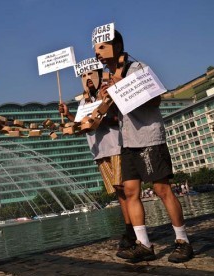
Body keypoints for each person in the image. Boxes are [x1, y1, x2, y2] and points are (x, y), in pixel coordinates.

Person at [94, 29, 193, 263]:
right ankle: (143, 244)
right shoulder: (108, 77)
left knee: (162, 189)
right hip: (127, 141)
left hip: (149, 137)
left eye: (101, 47)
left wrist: (121, 86)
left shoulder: (137, 68)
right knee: (130, 192)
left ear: (117, 46)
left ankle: (182, 240)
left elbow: (156, 99)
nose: (97, 53)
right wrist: (105, 101)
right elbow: (115, 116)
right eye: (95, 49)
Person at [59, 67, 136, 257]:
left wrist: (101, 116)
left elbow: (117, 119)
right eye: (83, 76)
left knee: (125, 188)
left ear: (99, 75)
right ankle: (129, 228)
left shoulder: (108, 94)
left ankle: (134, 230)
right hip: (99, 151)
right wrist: (68, 115)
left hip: (116, 146)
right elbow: (81, 124)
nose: (87, 79)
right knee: (118, 192)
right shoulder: (84, 102)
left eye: (90, 74)